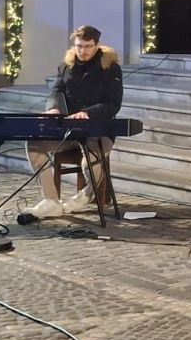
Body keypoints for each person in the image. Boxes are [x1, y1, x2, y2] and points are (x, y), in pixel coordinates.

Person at [26, 24, 124, 219]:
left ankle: (85, 196)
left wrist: (87, 113)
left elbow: (113, 104)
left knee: (91, 160)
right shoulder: (66, 66)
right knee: (34, 144)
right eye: (79, 46)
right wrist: (53, 108)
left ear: (96, 45)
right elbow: (56, 91)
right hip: (68, 130)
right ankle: (51, 201)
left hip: (99, 130)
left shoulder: (110, 67)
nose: (82, 51)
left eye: (87, 46)